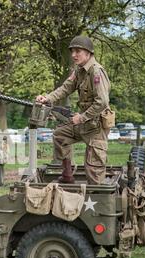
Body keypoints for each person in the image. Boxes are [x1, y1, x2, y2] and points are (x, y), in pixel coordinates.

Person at [36, 35, 112, 185]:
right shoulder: (79, 70)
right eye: (72, 51)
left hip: (96, 127)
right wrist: (48, 98)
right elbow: (66, 88)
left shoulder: (96, 72)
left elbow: (102, 102)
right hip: (83, 123)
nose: (73, 55)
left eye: (77, 51)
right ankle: (67, 175)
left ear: (88, 53)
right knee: (60, 135)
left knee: (93, 169)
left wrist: (82, 117)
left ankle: (98, 202)